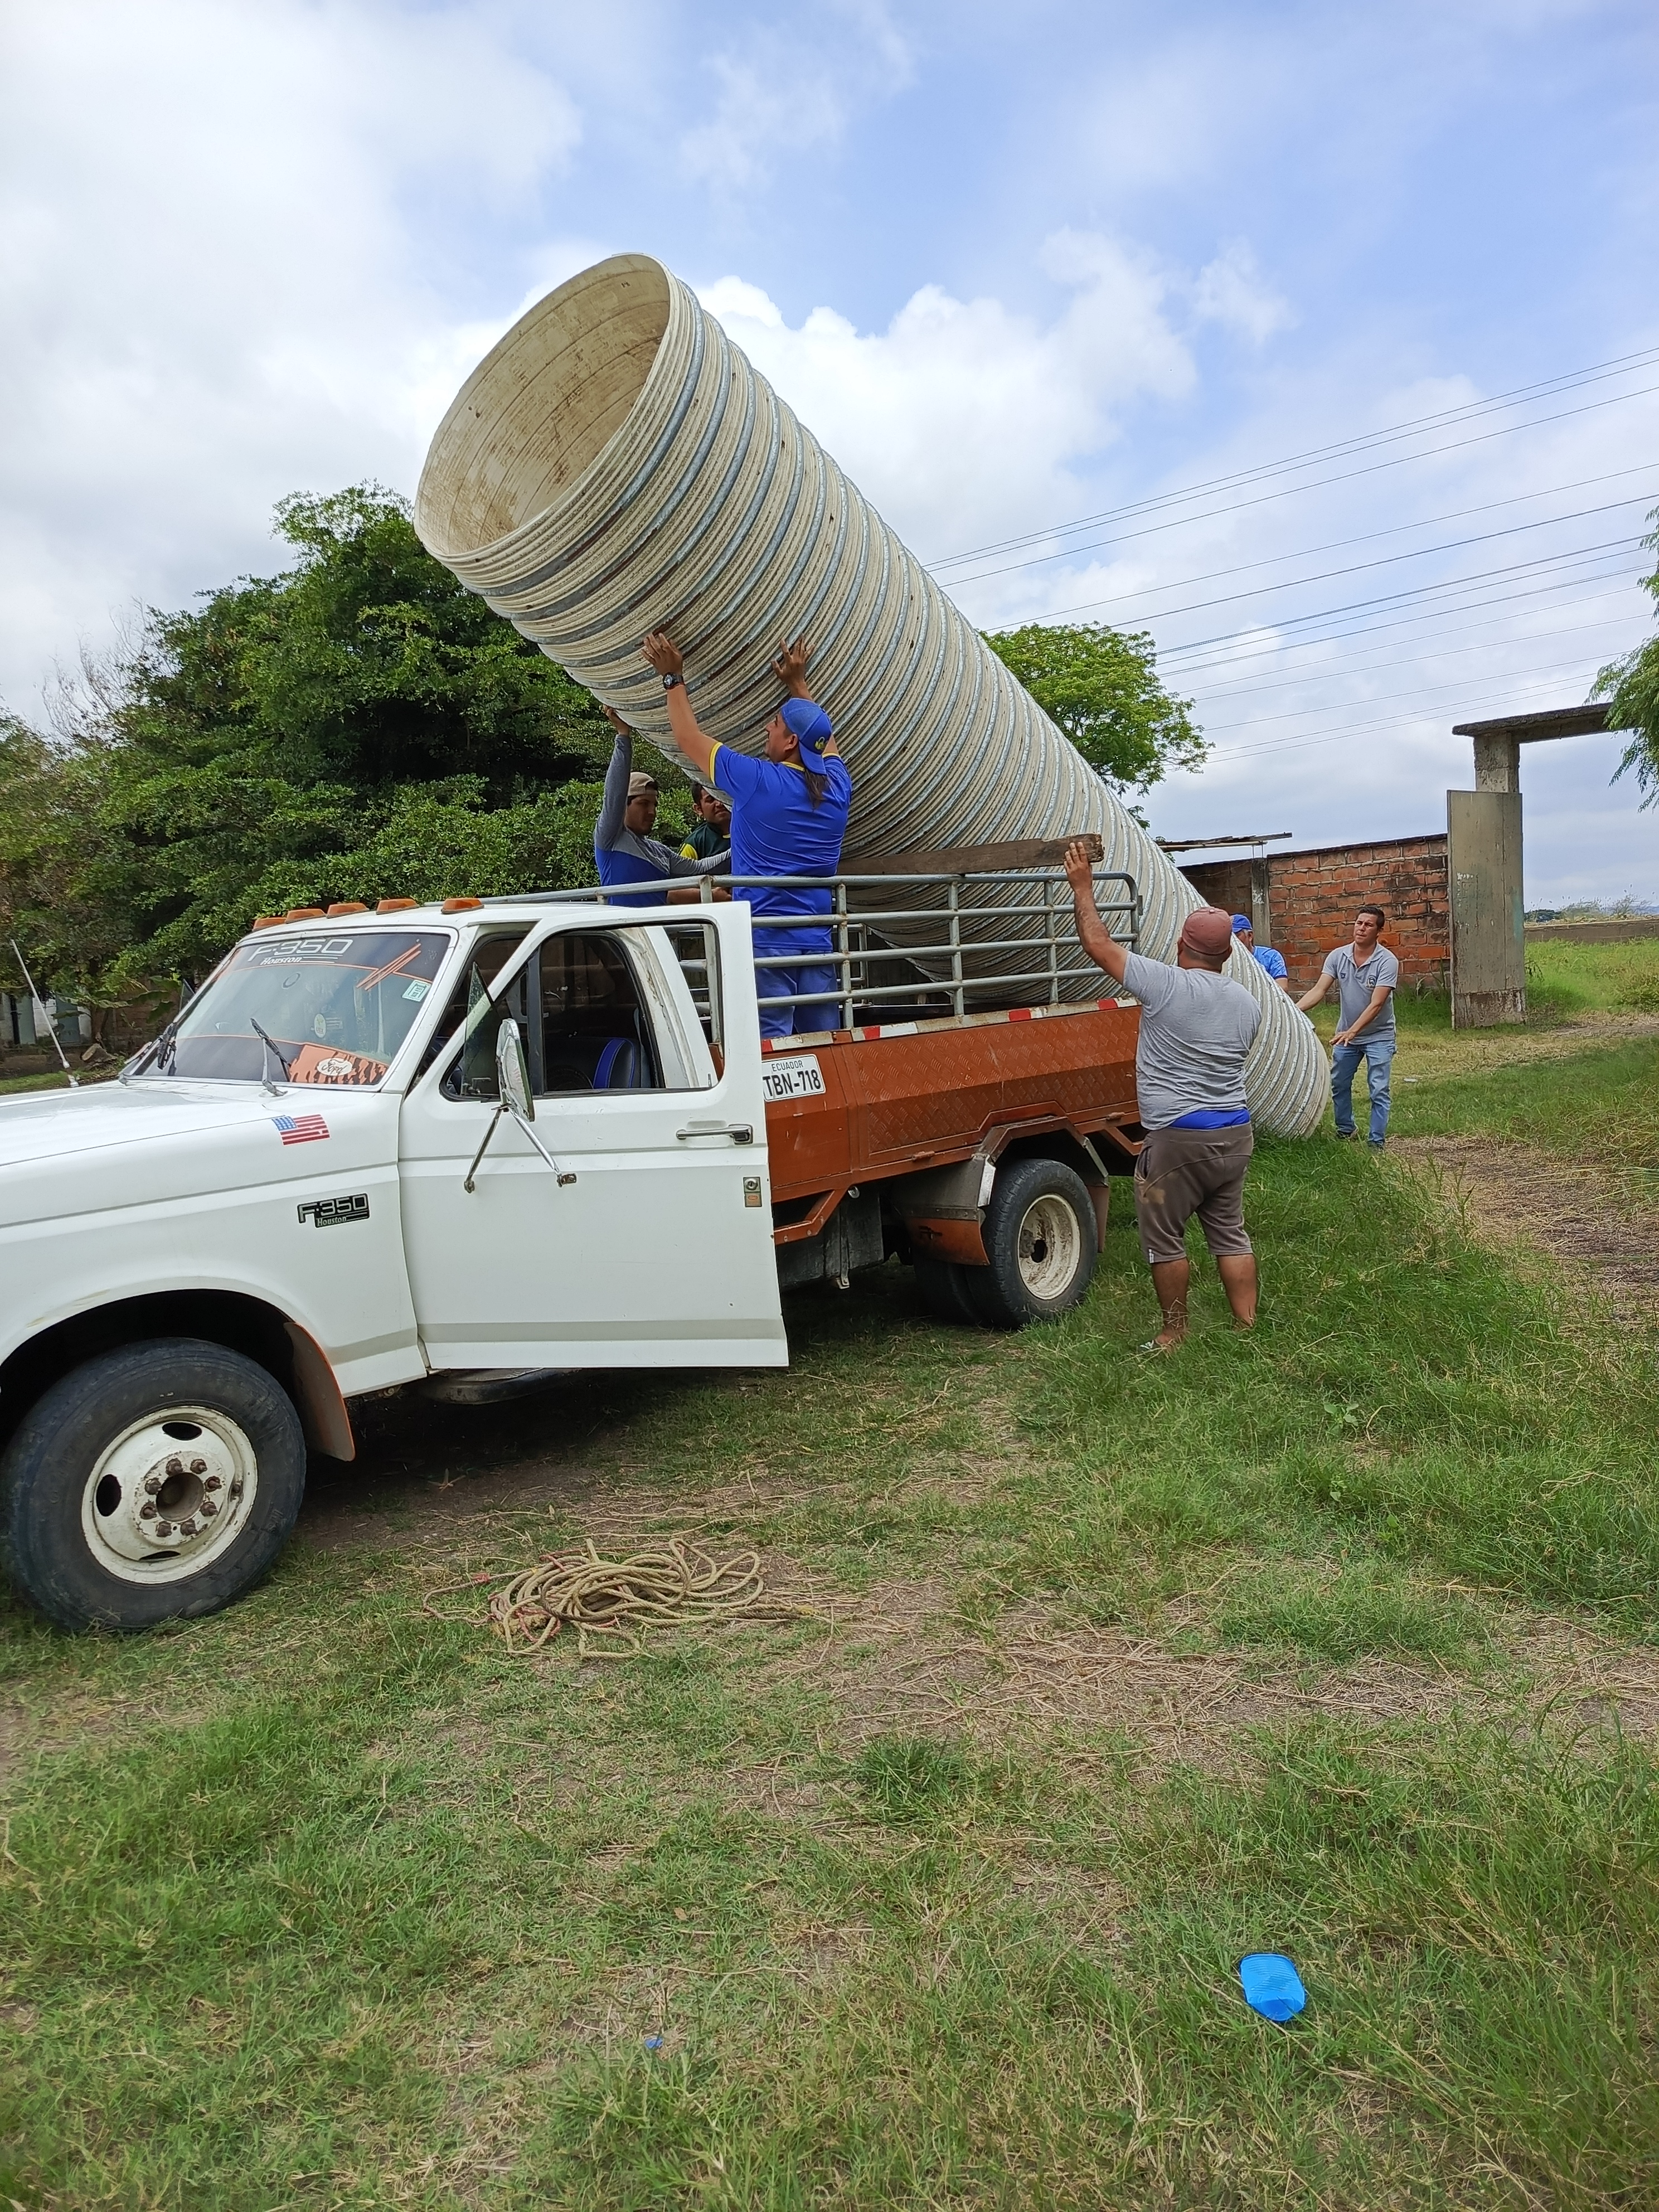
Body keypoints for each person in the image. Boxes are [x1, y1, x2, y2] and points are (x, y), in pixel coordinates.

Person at [1066, 848, 1263, 1351]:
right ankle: (1247, 1328)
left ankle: (1174, 1332)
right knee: (1231, 1233)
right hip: (1235, 1134)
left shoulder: (1165, 984)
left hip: (1178, 1138)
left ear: (1180, 944)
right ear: (1228, 954)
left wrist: (1083, 885)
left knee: (1165, 1238)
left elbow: (1097, 944)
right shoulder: (1247, 1003)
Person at [640, 630, 852, 1037]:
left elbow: (687, 738)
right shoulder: (838, 787)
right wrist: (798, 684)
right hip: (817, 943)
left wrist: (672, 676)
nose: (767, 730)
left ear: (791, 742)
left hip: (765, 942)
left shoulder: (756, 780)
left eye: (775, 724)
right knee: (824, 1043)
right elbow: (823, 741)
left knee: (771, 1049)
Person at [592, 707, 728, 907]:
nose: (652, 812)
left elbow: (700, 868)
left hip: (658, 927)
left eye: (654, 805)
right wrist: (623, 736)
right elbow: (615, 792)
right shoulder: (611, 837)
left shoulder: (660, 852)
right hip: (625, 927)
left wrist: (747, 845)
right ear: (624, 805)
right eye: (643, 804)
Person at [1296, 903, 1399, 1147]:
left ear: (1379, 931)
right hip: (1347, 1035)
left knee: (1378, 1089)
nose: (1361, 928)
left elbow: (1376, 1004)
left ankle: (1376, 1143)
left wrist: (1352, 1031)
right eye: (1359, 923)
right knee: (1339, 1083)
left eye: (1368, 925)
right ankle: (1346, 1130)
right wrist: (1293, 1010)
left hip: (1379, 1036)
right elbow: (1319, 990)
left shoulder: (1387, 961)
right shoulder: (1338, 956)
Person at [1231, 914, 1290, 992]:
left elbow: (1283, 987)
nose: (1232, 941)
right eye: (1229, 937)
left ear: (1250, 936)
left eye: (1236, 936)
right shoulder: (1225, 960)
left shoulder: (1271, 956)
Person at [681, 784, 732, 862]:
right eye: (711, 800)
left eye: (723, 797)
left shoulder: (750, 831)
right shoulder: (694, 844)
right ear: (699, 809)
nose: (719, 804)